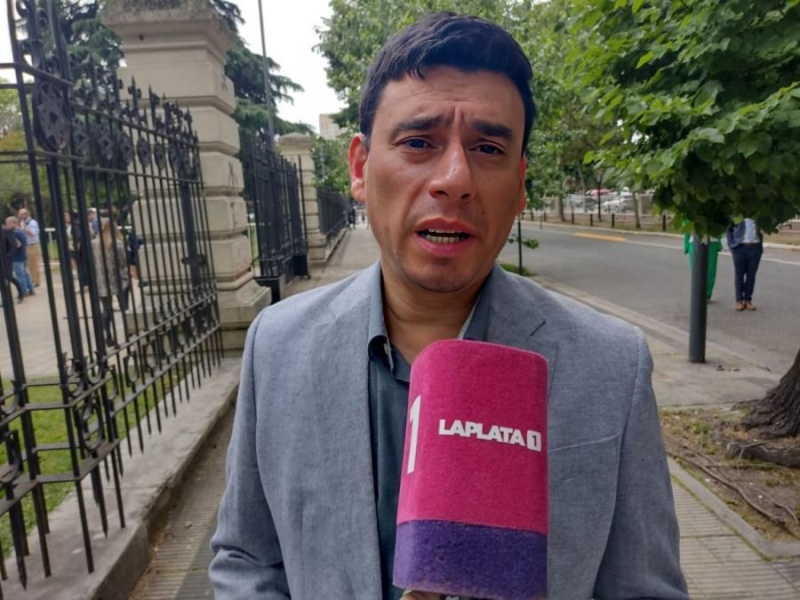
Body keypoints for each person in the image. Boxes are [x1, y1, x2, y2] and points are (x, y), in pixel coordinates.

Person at [209, 12, 688, 599]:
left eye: (488, 147)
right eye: (418, 142)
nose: (455, 179)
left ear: (520, 183)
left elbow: (645, 587)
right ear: (360, 167)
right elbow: (246, 558)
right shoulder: (277, 345)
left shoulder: (611, 365)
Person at [92, 217, 130, 346]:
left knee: (106, 309)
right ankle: (129, 331)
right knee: (124, 307)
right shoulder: (117, 244)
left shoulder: (94, 244)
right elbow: (123, 262)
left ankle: (107, 335)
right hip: (119, 278)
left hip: (102, 279)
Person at [726, 217, 763, 311]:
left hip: (755, 247)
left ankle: (748, 300)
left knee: (751, 276)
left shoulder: (758, 213)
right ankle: (739, 301)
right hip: (739, 247)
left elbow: (769, 223)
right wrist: (731, 244)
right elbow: (729, 229)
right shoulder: (738, 214)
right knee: (739, 275)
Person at [683, 232, 723, 300]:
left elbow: (719, 227)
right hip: (694, 242)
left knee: (710, 270)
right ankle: (698, 294)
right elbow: (686, 227)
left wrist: (719, 241)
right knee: (696, 271)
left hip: (712, 241)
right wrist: (686, 243)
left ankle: (707, 294)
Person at [5, 216, 34, 299]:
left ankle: (23, 290)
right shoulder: (21, 232)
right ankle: (30, 289)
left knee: (20, 275)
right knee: (25, 273)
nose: (7, 225)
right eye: (7, 224)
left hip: (17, 257)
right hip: (23, 255)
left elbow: (17, 244)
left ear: (15, 223)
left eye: (9, 223)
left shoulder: (14, 233)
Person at [1, 219, 25, 304]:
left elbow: (13, 245)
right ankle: (6, 298)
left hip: (6, 260)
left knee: (8, 277)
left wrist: (8, 257)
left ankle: (19, 293)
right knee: (6, 278)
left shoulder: (5, 231)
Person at [17, 207, 41, 287]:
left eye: (23, 214)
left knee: (33, 264)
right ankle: (32, 280)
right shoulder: (21, 222)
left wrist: (24, 228)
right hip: (25, 246)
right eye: (20, 214)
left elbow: (33, 233)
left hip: (31, 245)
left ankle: (36, 281)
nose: (21, 216)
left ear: (27, 214)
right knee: (28, 265)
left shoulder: (32, 223)